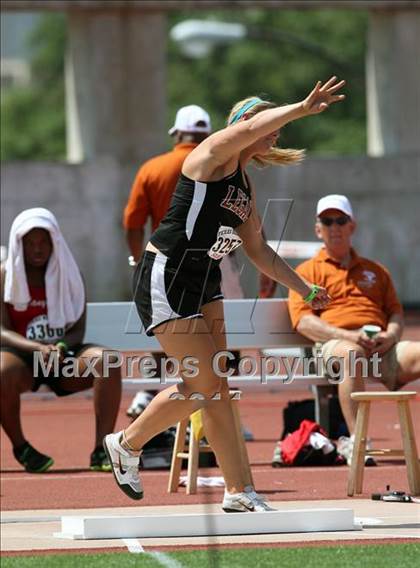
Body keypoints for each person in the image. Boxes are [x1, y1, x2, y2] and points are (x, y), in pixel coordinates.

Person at [104, 76, 344, 511]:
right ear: (241, 125)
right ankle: (127, 442)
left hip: (204, 284)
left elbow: (259, 253)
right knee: (206, 383)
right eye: (262, 119)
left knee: (217, 388)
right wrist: (300, 107)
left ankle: (239, 491)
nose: (274, 130)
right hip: (168, 273)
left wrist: (305, 288)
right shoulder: (211, 155)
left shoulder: (245, 188)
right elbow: (250, 129)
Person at [123, 104, 274, 419]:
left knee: (187, 354)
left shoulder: (154, 167)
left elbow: (133, 223)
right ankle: (186, 416)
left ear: (178, 132)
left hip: (170, 265)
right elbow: (247, 226)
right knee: (214, 367)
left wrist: (136, 261)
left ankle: (152, 391)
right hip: (219, 262)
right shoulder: (215, 159)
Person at [288, 194, 420, 464]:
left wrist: (391, 335)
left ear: (352, 226)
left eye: (340, 220)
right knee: (352, 355)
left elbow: (395, 312)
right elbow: (304, 322)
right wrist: (349, 336)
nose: (334, 227)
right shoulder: (306, 272)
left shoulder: (376, 270)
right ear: (318, 229)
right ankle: (357, 441)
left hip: (382, 349)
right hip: (336, 347)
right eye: (327, 221)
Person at [1, 208, 122, 473]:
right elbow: (2, 330)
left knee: (108, 361)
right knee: (1, 371)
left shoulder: (69, 273)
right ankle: (22, 447)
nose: (37, 249)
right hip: (23, 359)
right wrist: (36, 348)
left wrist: (61, 347)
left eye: (43, 241)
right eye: (30, 243)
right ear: (18, 243)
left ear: (55, 240)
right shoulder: (4, 275)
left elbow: (79, 328)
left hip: (63, 357)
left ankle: (102, 450)